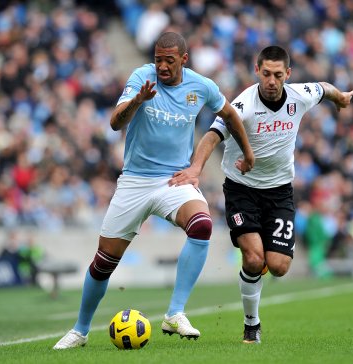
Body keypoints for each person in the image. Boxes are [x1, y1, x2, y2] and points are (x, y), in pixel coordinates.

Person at [53, 32, 254, 349]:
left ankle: (175, 313)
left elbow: (230, 115)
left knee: (201, 225)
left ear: (183, 60)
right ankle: (80, 330)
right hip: (134, 181)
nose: (161, 65)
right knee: (104, 262)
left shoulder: (201, 86)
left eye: (168, 60)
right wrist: (137, 101)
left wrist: (247, 152)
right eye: (158, 58)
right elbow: (115, 124)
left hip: (173, 180)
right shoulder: (141, 77)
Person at [170, 45, 353, 344]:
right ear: (257, 71)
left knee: (279, 267)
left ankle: (259, 262)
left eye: (278, 75)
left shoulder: (299, 95)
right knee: (255, 259)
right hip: (242, 190)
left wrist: (340, 98)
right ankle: (251, 324)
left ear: (288, 75)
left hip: (280, 192)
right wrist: (195, 168)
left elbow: (324, 89)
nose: (271, 80)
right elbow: (212, 135)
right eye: (266, 74)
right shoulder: (243, 105)